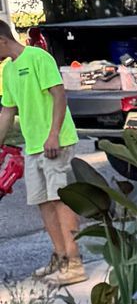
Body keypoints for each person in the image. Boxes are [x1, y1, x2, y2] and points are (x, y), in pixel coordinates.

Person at [0, 21, 88, 286]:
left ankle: (75, 263)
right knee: (44, 202)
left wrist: (53, 135)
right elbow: (7, 112)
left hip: (55, 142)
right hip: (33, 145)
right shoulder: (8, 70)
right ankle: (60, 257)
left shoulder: (38, 57)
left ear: (2, 41)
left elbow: (59, 95)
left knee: (61, 200)